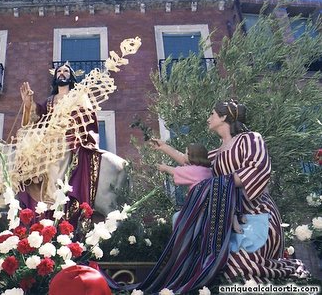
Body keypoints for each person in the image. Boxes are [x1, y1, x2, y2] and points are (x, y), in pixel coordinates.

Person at [124, 99, 306, 293]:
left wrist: (216, 183)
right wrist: (164, 147)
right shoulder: (218, 152)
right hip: (225, 216)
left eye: (212, 114)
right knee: (211, 261)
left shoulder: (251, 139)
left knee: (236, 263)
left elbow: (257, 168)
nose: (208, 118)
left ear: (224, 117)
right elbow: (190, 162)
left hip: (256, 211)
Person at [19, 63, 101, 222]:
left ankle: (53, 198)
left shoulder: (78, 96)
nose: (62, 73)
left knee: (58, 147)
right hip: (46, 139)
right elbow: (37, 119)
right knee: (26, 146)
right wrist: (28, 104)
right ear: (55, 77)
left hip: (69, 138)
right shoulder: (50, 101)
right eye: (59, 71)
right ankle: (34, 184)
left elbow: (87, 116)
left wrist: (68, 122)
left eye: (65, 71)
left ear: (71, 77)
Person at [154, 142, 245, 234]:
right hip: (214, 202)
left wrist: (164, 168)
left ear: (192, 156)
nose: (184, 155)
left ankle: (183, 240)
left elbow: (176, 171)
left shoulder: (193, 171)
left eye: (186, 153)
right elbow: (184, 164)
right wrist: (164, 147)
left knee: (177, 218)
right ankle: (233, 216)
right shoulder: (206, 170)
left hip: (201, 205)